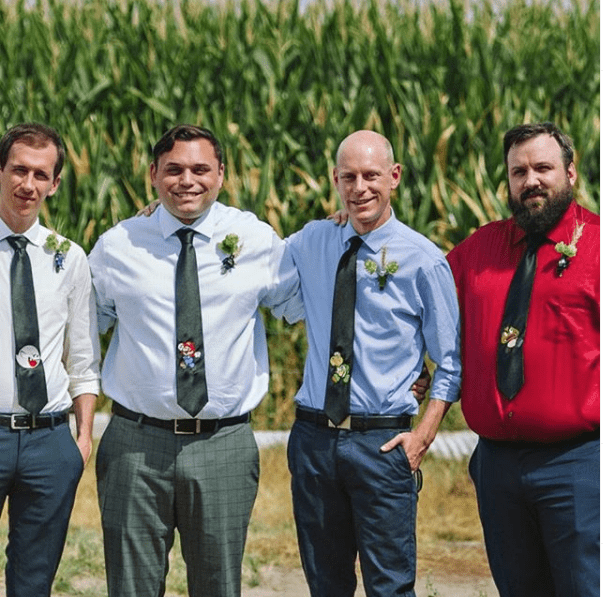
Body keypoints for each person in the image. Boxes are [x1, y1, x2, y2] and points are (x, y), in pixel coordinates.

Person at [88, 124, 304, 597]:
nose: (187, 180)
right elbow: (80, 332)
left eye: (200, 169)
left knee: (219, 586)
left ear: (221, 174)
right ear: (152, 175)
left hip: (222, 445)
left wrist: (339, 226)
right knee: (131, 587)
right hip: (133, 446)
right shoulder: (117, 246)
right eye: (174, 170)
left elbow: (307, 304)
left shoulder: (256, 239)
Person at [285, 130, 462, 597]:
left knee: (389, 585)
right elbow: (249, 260)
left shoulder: (424, 259)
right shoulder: (312, 241)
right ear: (335, 180)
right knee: (326, 584)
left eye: (371, 176)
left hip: (382, 444)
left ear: (395, 177)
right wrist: (162, 215)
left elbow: (449, 361)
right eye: (349, 177)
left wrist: (423, 436)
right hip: (314, 441)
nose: (360, 188)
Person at [446, 122, 599, 597]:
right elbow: (417, 303)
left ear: (570, 173)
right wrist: (361, 221)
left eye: (543, 168)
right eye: (518, 171)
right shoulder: (478, 250)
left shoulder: (597, 246)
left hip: (577, 463)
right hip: (498, 467)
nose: (530, 180)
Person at [0, 123, 100, 597]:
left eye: (41, 175)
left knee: (34, 578)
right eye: (19, 170)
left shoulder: (69, 258)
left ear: (55, 183)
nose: (28, 185)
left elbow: (83, 356)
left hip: (49, 442)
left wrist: (81, 440)